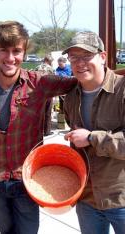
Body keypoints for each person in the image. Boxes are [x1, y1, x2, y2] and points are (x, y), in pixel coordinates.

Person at [0, 21, 77, 234]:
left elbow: (81, 81)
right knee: (5, 230)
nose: (10, 58)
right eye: (4, 51)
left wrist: (110, 76)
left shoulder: (40, 83)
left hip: (26, 181)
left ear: (24, 53)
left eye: (16, 51)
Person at [63, 31, 125, 234]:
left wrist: (91, 137)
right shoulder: (71, 98)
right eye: (74, 57)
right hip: (86, 198)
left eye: (86, 56)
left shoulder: (122, 90)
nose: (80, 63)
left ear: (103, 56)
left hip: (120, 197)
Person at [35, 55, 54, 136]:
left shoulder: (37, 67)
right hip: (48, 92)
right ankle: (47, 131)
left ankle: (38, 130)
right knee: (47, 112)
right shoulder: (50, 68)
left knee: (38, 112)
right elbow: (54, 80)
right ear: (49, 60)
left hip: (38, 93)